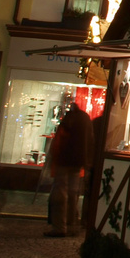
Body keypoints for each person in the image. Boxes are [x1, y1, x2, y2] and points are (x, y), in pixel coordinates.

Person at [45, 95, 93, 238]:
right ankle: (72, 225)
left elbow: (60, 140)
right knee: (73, 193)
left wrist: (54, 156)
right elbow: (90, 141)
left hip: (65, 161)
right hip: (78, 162)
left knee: (61, 192)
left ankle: (60, 226)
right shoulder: (85, 120)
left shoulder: (70, 119)